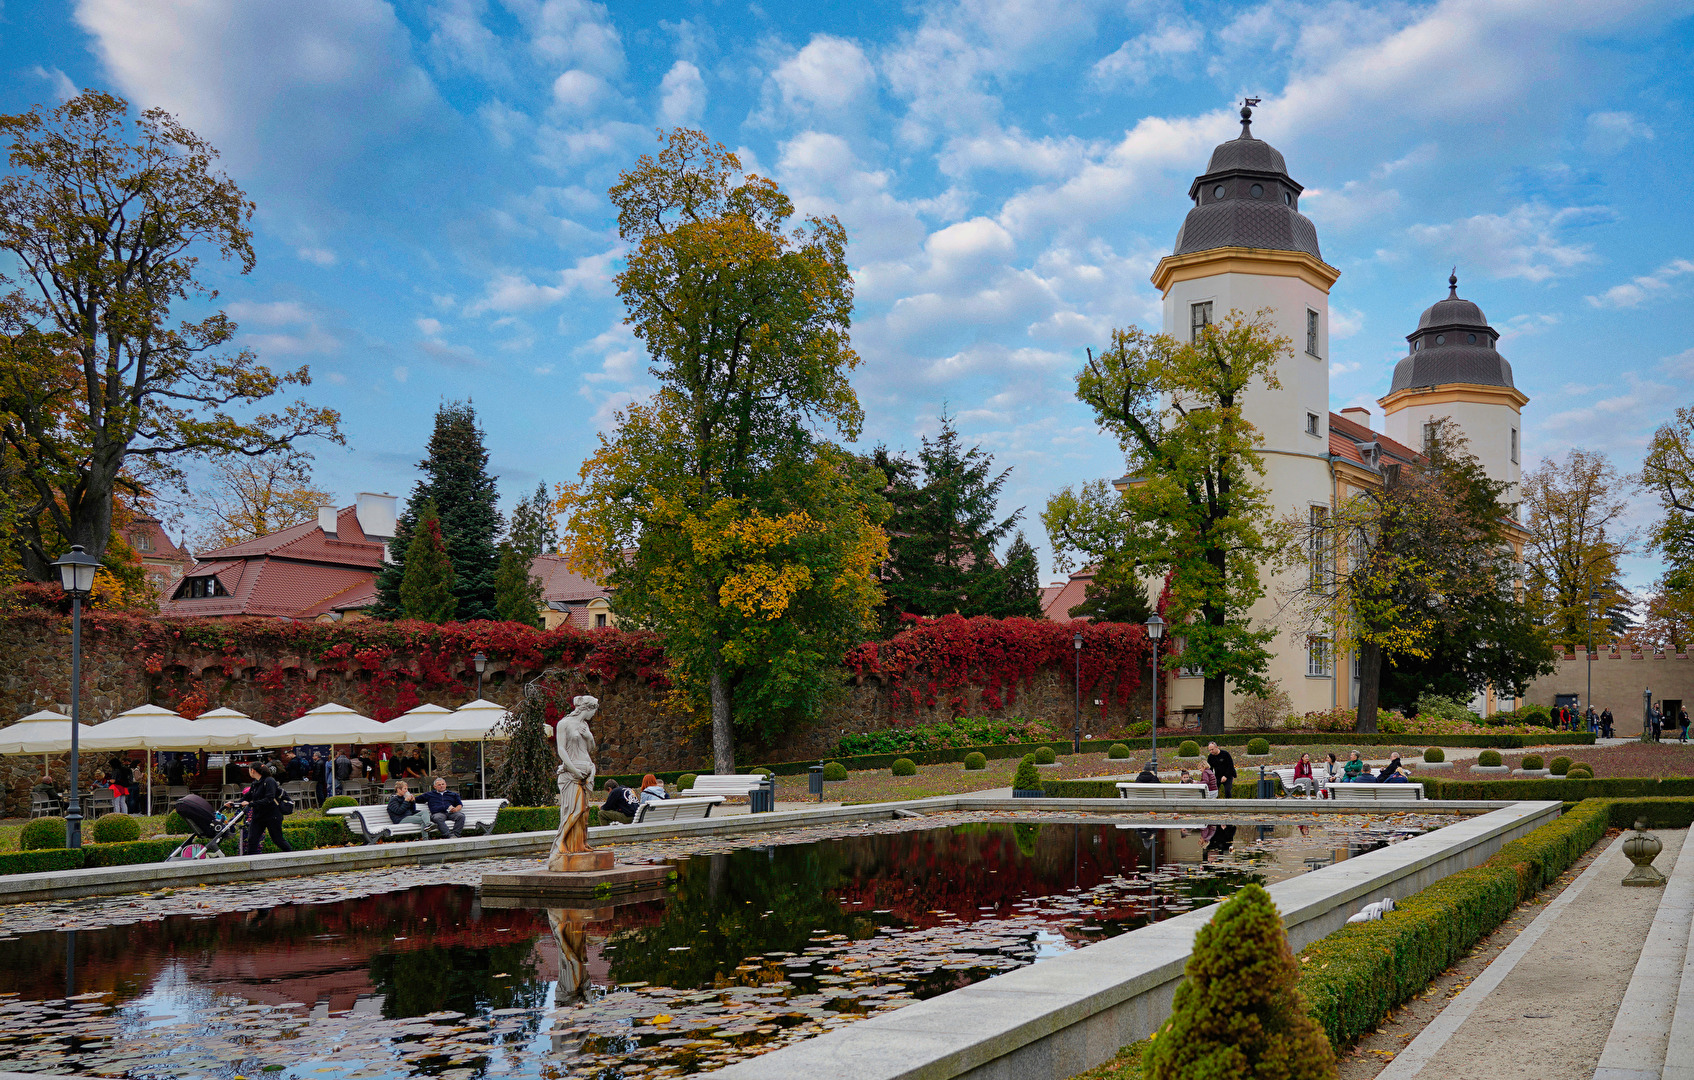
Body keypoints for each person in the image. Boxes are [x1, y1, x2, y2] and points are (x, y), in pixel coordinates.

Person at [240, 763, 291, 855]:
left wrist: (251, 804)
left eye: (249, 770)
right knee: (252, 840)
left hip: (272, 815)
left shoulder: (269, 781)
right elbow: (247, 796)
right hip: (258, 815)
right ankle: (252, 860)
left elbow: (269, 799)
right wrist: (234, 803)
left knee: (277, 839)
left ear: (253, 770)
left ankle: (292, 856)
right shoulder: (255, 783)